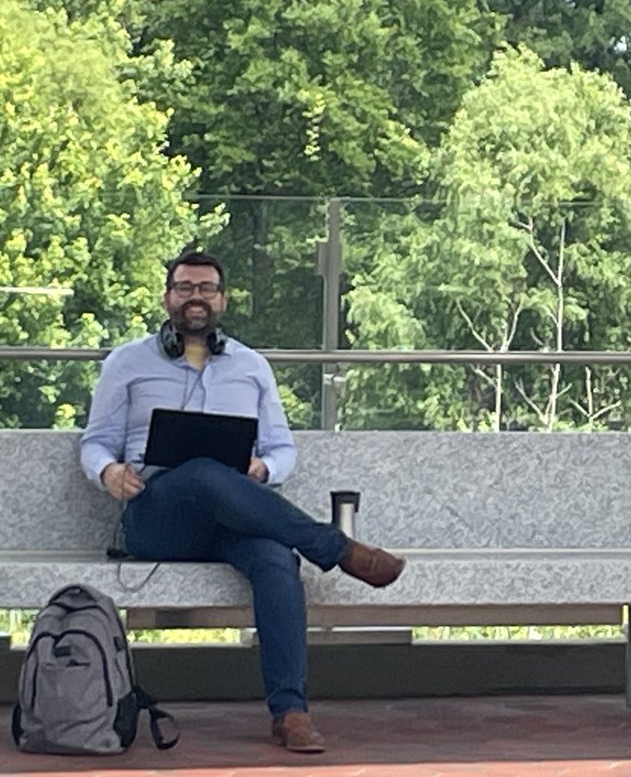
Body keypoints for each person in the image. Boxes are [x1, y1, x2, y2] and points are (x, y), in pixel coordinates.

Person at [80, 250, 405, 754]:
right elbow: (95, 441)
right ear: (168, 298)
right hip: (158, 513)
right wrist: (109, 470)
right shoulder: (127, 362)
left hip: (236, 514)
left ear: (222, 300)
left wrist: (263, 470)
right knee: (204, 472)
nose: (196, 297)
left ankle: (291, 712)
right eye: (185, 287)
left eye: (206, 288)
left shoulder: (251, 367)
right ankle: (337, 548)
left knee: (277, 559)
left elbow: (281, 450)